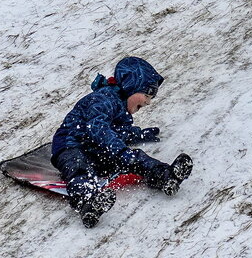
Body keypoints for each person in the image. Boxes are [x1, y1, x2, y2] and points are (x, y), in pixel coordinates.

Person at [51, 56, 191, 227]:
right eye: (146, 95)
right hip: (71, 144)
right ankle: (88, 203)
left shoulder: (122, 110)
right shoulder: (102, 99)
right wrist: (120, 151)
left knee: (135, 157)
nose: (148, 102)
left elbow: (117, 132)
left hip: (96, 150)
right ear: (131, 87)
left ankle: (165, 176)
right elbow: (97, 128)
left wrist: (138, 135)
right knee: (78, 167)